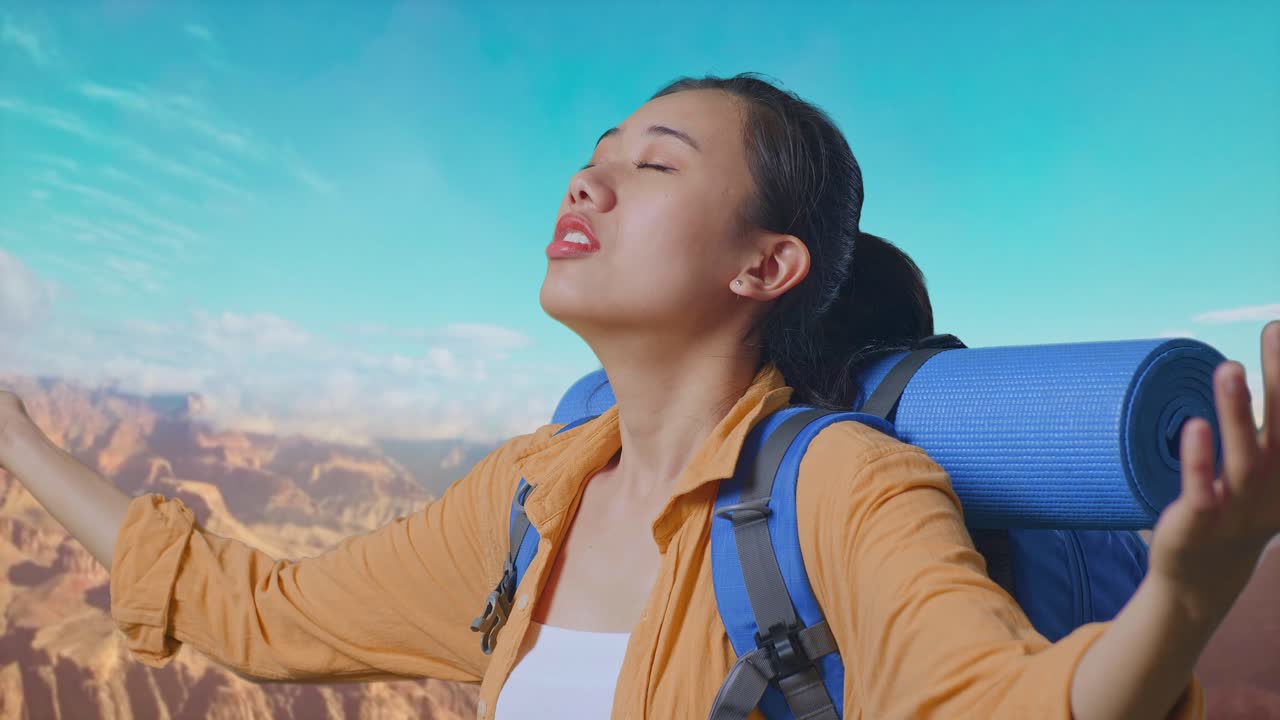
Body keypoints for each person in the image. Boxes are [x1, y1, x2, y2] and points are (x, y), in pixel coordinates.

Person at [1, 72, 1276, 720]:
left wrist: (1184, 592)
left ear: (762, 265)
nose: (588, 183)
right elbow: (254, 613)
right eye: (589, 157)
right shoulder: (526, 496)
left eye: (651, 163)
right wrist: (18, 440)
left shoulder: (839, 483)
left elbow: (991, 704)